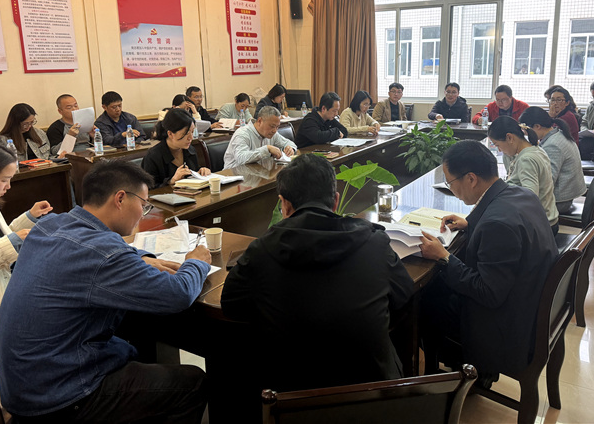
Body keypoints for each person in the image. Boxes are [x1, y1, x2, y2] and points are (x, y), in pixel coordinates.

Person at [0, 160, 211, 423]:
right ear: (120, 199)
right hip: (59, 397)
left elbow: (97, 254)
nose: (143, 214)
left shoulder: (49, 225)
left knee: (132, 346)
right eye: (144, 205)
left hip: (24, 387)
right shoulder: (103, 253)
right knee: (193, 383)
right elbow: (178, 293)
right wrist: (197, 262)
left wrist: (138, 257)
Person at [221, 153, 413, 392]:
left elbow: (231, 305)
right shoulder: (374, 242)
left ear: (284, 205)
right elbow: (404, 295)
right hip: (372, 397)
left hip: (291, 400)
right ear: (335, 200)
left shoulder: (261, 251)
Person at [418, 140, 557, 386]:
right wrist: (471, 223)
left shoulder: (496, 224)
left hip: (506, 326)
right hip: (527, 300)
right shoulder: (521, 194)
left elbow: (488, 293)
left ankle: (461, 373)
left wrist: (444, 257)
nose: (452, 189)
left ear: (471, 179)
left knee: (424, 299)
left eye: (450, 182)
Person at [0, 141, 52, 366]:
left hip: (7, 299)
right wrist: (12, 242)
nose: (9, 186)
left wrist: (29, 217)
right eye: (4, 179)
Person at [488, 116, 559, 234]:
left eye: (497, 145)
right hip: (547, 220)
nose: (499, 150)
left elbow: (530, 197)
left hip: (541, 228)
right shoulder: (536, 149)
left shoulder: (526, 159)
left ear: (509, 137)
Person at [520, 107, 587, 215]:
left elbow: (548, 181)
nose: (527, 135)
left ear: (537, 126)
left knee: (515, 205)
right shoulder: (557, 134)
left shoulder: (552, 145)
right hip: (563, 195)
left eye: (527, 131)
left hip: (559, 201)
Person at [141, 109, 211, 188]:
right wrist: (171, 181)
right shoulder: (153, 156)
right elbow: (149, 188)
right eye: (186, 133)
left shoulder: (190, 150)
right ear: (170, 134)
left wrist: (201, 171)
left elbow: (194, 173)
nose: (191, 138)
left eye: (192, 132)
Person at [223, 106, 296, 170]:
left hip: (258, 172)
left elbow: (288, 143)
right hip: (234, 175)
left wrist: (290, 148)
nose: (275, 130)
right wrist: (266, 149)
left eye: (277, 127)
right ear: (260, 121)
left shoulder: (272, 134)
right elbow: (241, 159)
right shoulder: (242, 134)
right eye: (272, 126)